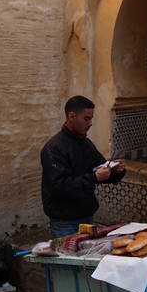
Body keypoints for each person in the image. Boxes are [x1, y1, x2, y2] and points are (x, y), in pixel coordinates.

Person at [41, 95, 126, 238]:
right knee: (66, 258)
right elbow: (59, 187)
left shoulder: (86, 144)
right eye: (86, 119)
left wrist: (116, 170)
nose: (90, 123)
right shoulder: (54, 148)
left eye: (91, 119)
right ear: (72, 116)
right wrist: (93, 177)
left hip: (87, 217)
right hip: (65, 222)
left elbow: (100, 169)